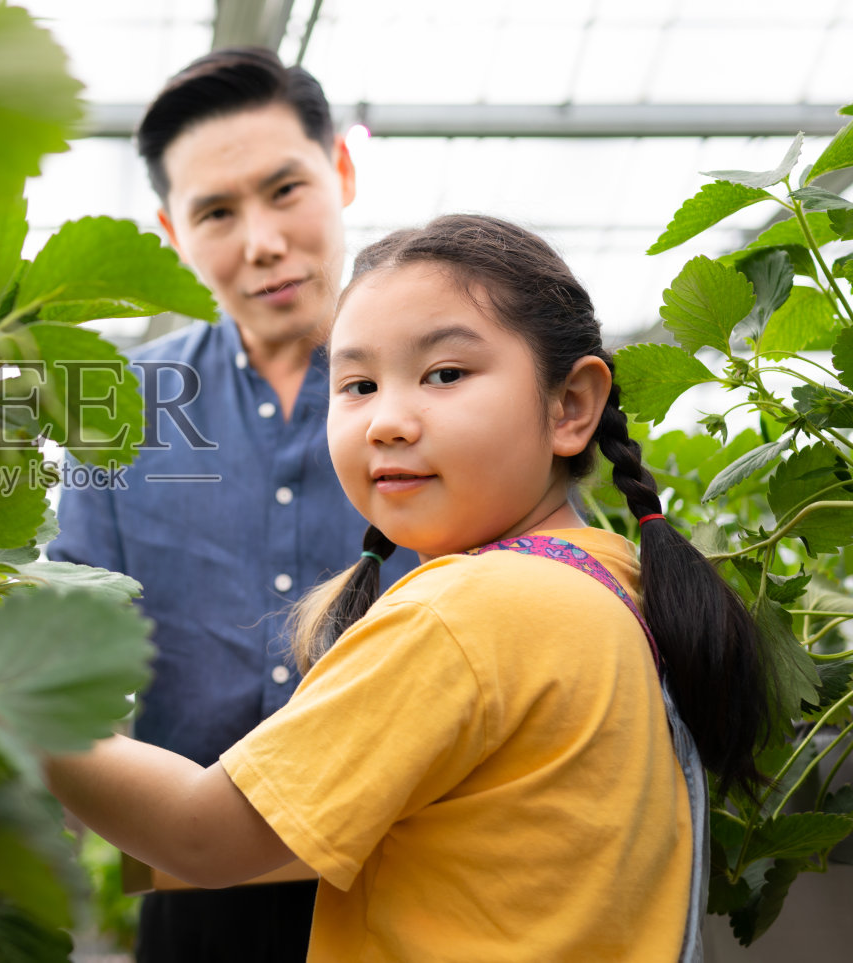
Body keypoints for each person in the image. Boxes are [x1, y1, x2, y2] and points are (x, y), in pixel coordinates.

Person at [47, 215, 776, 962]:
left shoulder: (462, 614)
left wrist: (9, 695)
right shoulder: (617, 580)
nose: (388, 420)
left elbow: (201, 833)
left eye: (445, 374)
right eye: (357, 384)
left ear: (570, 406)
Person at [47, 48, 407, 960]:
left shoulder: (441, 390)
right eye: (216, 211)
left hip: (414, 874)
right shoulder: (121, 407)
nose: (260, 241)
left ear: (343, 173)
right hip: (195, 889)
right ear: (172, 230)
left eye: (285, 189)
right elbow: (73, 621)